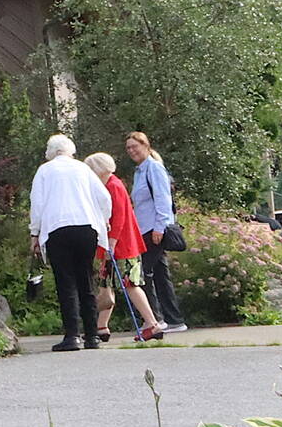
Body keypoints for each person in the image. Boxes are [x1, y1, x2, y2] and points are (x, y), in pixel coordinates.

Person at [29, 133, 111, 351]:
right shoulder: (83, 169)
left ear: (51, 152)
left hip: (58, 229)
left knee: (66, 282)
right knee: (86, 280)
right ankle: (92, 336)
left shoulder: (44, 171)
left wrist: (34, 233)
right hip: (86, 228)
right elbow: (104, 198)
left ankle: (72, 335)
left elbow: (37, 204)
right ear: (70, 151)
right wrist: (103, 220)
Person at [87, 151, 163, 342]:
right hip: (112, 244)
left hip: (123, 245)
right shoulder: (107, 186)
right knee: (107, 284)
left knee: (130, 284)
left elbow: (119, 216)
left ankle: (151, 323)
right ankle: (101, 326)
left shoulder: (114, 186)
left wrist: (111, 243)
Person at [126, 130, 188, 333]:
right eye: (129, 148)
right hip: (144, 228)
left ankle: (155, 318)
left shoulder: (153, 168)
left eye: (135, 146)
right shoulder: (140, 171)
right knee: (160, 274)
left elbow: (163, 198)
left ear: (146, 146)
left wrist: (160, 227)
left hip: (155, 228)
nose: (132, 150)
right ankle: (174, 319)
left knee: (143, 272)